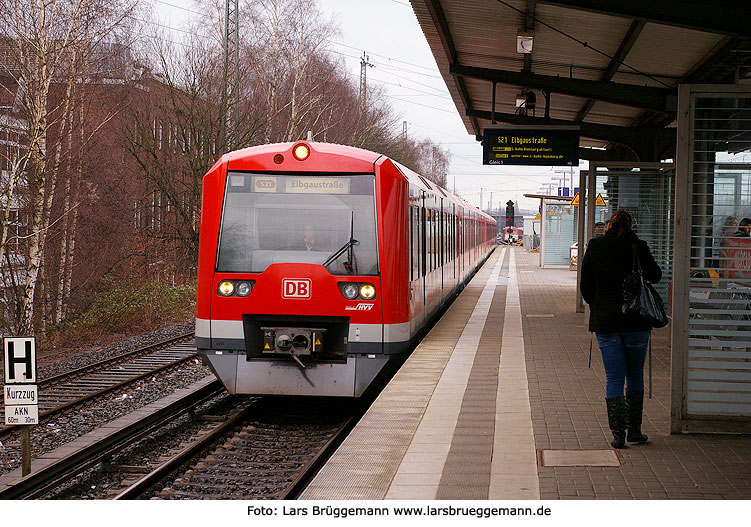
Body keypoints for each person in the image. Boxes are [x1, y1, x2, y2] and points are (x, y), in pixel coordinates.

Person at [580, 210, 662, 449]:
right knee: (634, 375)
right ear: (631, 226)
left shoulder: (596, 247)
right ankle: (635, 431)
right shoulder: (639, 246)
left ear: (608, 226)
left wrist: (598, 305)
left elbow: (586, 285)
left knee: (614, 377)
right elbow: (655, 276)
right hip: (636, 322)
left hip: (607, 323)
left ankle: (618, 435)